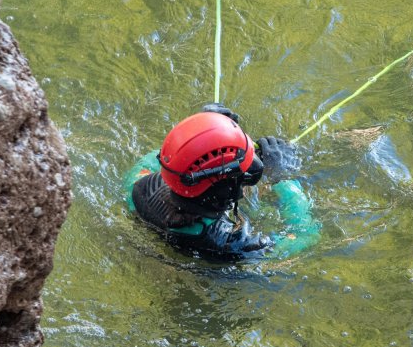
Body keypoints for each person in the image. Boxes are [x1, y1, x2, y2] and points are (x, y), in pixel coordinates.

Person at [124, 104, 318, 260]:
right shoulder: (234, 244)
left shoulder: (141, 188)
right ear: (227, 189)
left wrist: (201, 131)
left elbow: (157, 159)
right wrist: (284, 179)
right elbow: (306, 235)